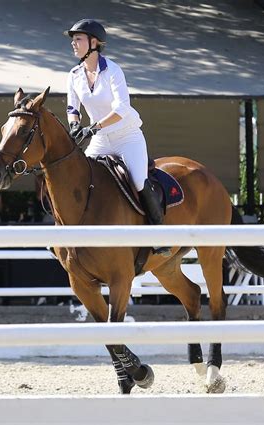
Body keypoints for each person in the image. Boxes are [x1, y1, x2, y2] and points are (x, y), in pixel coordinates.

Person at [64, 19, 170, 256]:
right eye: (73, 39)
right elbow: (73, 108)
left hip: (126, 136)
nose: (73, 43)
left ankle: (159, 235)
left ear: (94, 43)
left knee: (139, 181)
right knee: (79, 176)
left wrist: (93, 127)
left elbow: (122, 108)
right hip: (100, 140)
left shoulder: (113, 70)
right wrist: (74, 127)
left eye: (78, 39)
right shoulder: (74, 75)